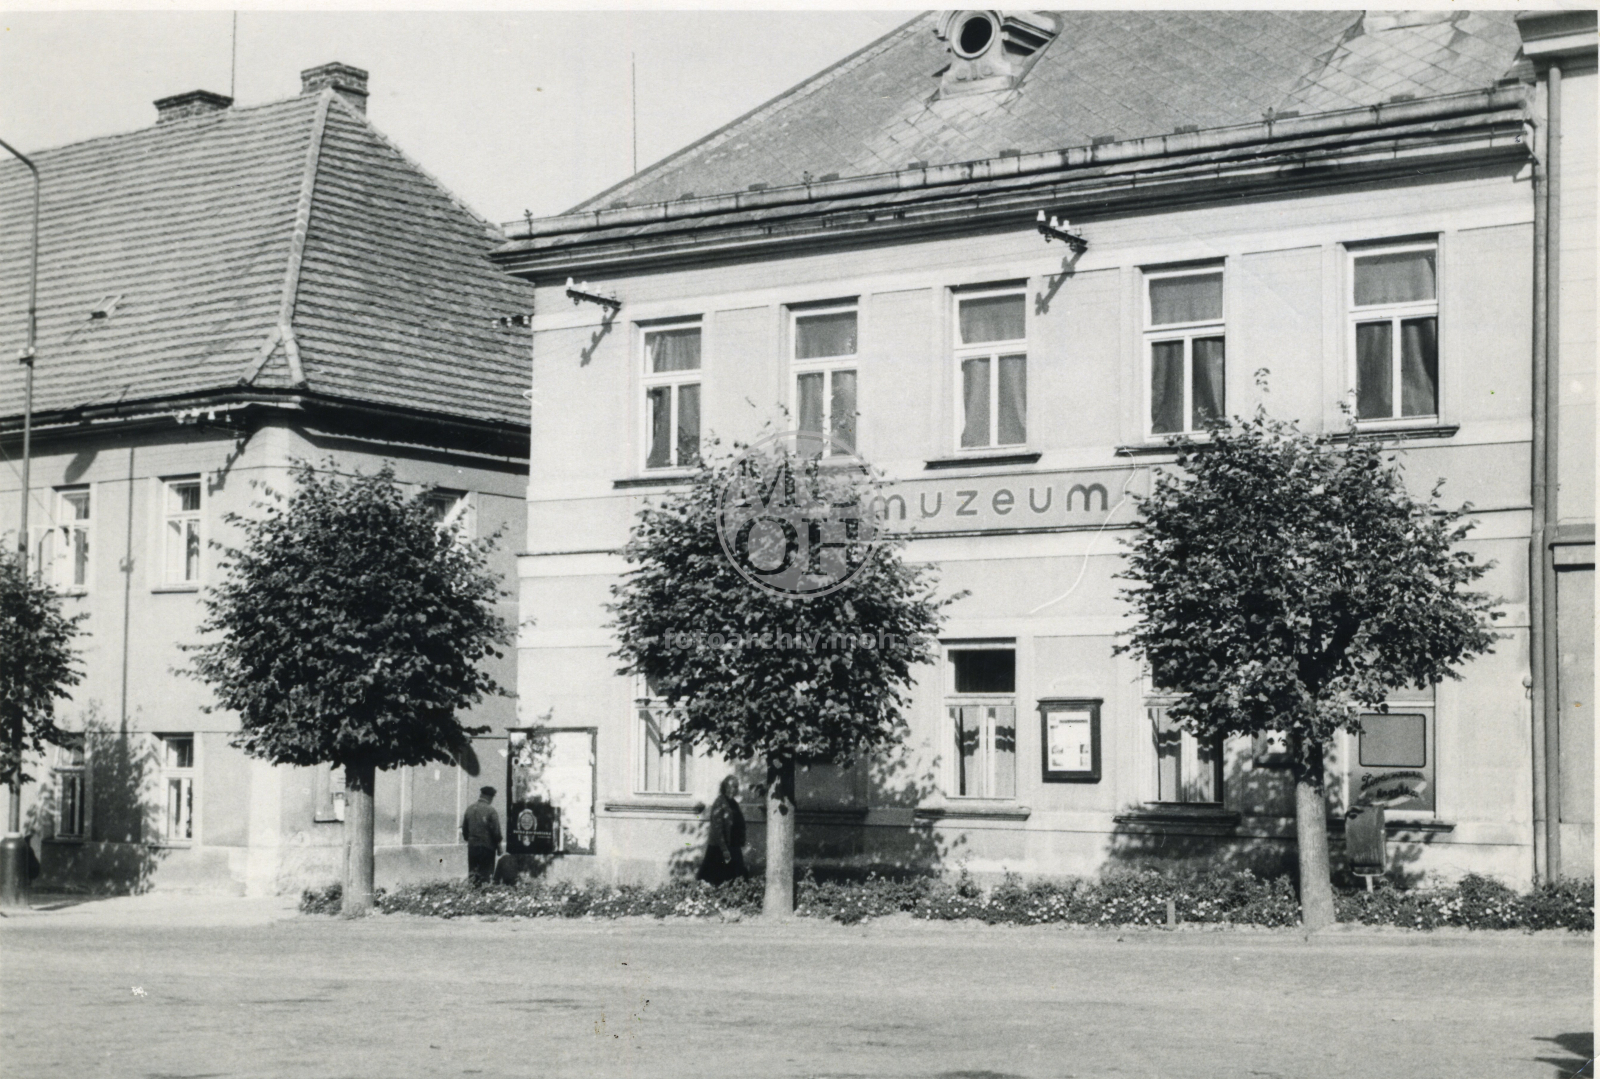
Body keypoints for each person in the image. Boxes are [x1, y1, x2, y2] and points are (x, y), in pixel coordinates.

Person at [697, 776, 747, 885]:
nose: (736, 789)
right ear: (726, 787)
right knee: (716, 879)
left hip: (733, 846)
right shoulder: (719, 803)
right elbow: (717, 828)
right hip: (719, 848)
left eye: (737, 787)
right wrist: (724, 850)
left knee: (735, 878)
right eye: (734, 786)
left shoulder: (733, 803)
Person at [461, 785, 502, 885]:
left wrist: (470, 840)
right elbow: (496, 832)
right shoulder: (491, 811)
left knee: (473, 874)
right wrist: (499, 847)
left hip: (472, 847)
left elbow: (464, 830)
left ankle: (473, 896)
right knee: (485, 875)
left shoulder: (469, 809)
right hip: (487, 848)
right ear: (490, 797)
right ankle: (483, 897)